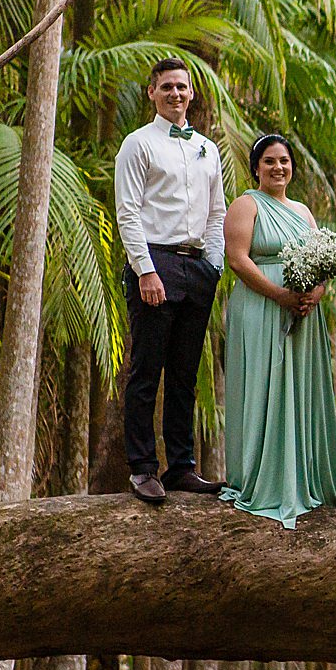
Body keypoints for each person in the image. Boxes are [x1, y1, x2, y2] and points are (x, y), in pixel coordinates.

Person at [218, 135, 336, 527]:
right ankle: (260, 479)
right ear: (256, 167)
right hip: (261, 307)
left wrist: (315, 293)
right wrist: (279, 295)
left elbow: (324, 262)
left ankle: (300, 477)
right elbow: (238, 260)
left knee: (298, 388)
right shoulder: (246, 205)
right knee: (264, 383)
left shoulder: (304, 211)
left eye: (285, 161)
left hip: (303, 313)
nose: (278, 168)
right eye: (270, 161)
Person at [114, 57, 227, 503]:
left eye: (182, 87)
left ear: (192, 94)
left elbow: (217, 211)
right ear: (152, 93)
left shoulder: (207, 148)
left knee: (185, 373)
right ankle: (143, 468)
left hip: (197, 267)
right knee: (146, 371)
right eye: (167, 88)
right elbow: (128, 212)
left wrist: (213, 265)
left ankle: (182, 466)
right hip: (155, 263)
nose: (176, 94)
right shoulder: (138, 145)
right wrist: (145, 270)